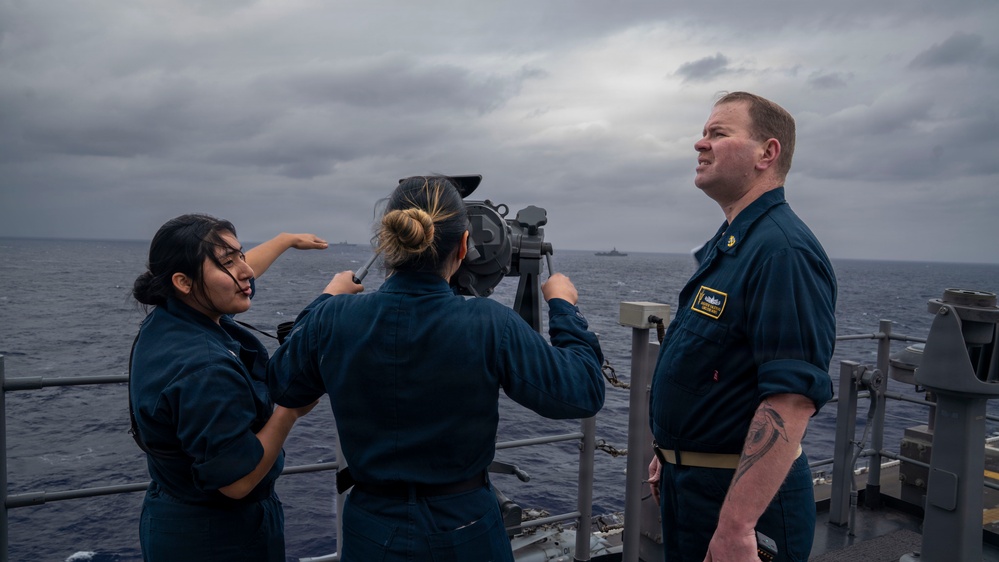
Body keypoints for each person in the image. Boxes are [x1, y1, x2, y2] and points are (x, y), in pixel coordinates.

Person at [267, 175, 606, 562]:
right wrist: (564, 306)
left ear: (386, 243)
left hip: (370, 531)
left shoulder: (334, 318)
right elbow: (583, 391)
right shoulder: (489, 324)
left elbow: (282, 384)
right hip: (465, 529)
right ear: (463, 246)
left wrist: (325, 299)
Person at [647, 92, 837, 562]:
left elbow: (790, 401)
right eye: (704, 133)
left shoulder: (782, 252)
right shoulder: (735, 241)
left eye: (718, 133)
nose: (700, 144)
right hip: (693, 487)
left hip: (739, 505)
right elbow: (716, 367)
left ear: (766, 154)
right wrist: (670, 452)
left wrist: (737, 527)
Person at [129, 214, 329, 561]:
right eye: (228, 262)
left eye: (241, 255)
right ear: (183, 281)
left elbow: (241, 277)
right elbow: (237, 482)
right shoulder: (204, 369)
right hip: (217, 536)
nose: (246, 270)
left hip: (176, 515)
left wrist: (285, 240)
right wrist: (290, 410)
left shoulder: (175, 314)